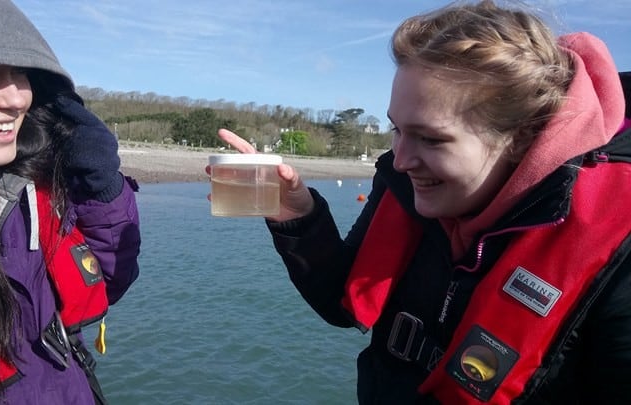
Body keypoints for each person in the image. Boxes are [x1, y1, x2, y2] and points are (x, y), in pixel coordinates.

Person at [214, 1, 631, 403]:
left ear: (521, 137)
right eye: (397, 129)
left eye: (431, 138)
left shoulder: (617, 254)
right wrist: (298, 216)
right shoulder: (405, 184)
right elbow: (343, 301)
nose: (400, 159)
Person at [0, 0, 141, 403]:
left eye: (21, 73)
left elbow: (106, 285)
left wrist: (101, 192)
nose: (16, 99)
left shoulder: (33, 191)